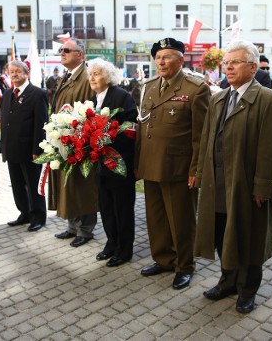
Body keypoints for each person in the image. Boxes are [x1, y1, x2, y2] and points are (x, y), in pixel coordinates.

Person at [195, 40, 272, 314]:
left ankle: (247, 290)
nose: (228, 67)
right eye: (226, 63)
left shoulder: (269, 100)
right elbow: (207, 140)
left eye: (235, 62)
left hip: (246, 185)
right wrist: (200, 174)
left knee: (249, 237)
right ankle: (228, 281)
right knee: (223, 233)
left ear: (253, 67)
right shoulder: (219, 97)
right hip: (218, 183)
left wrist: (263, 187)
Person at [135, 37, 209, 290]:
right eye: (157, 57)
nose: (161, 61)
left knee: (181, 219)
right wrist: (137, 162)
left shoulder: (195, 88)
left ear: (180, 59)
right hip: (151, 164)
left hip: (178, 168)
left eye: (166, 57)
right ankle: (164, 259)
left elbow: (201, 136)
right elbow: (143, 127)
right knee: (155, 217)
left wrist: (196, 170)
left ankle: (184, 266)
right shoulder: (148, 86)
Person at [87, 59, 138, 267]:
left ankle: (124, 250)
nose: (92, 78)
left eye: (97, 74)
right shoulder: (93, 99)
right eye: (91, 74)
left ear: (108, 77)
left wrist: (105, 140)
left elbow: (130, 129)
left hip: (120, 164)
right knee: (106, 207)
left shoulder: (122, 96)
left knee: (122, 209)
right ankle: (111, 243)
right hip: (101, 165)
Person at [48, 38, 98, 247]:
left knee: (81, 185)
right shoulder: (67, 76)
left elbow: (93, 108)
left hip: (81, 141)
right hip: (64, 139)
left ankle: (85, 230)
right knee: (67, 184)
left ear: (80, 54)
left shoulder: (88, 76)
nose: (62, 53)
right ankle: (72, 226)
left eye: (67, 50)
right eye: (61, 50)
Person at [0, 60, 48, 232]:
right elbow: (5, 122)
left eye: (18, 71)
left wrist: (38, 149)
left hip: (30, 150)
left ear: (26, 73)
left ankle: (38, 217)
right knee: (18, 185)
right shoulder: (6, 94)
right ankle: (24, 213)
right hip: (11, 148)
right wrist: (3, 147)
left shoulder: (38, 94)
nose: (14, 74)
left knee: (34, 185)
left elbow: (41, 123)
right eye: (11, 71)